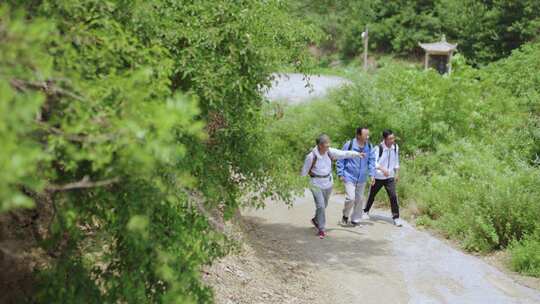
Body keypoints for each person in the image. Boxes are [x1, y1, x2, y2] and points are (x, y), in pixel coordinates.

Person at [301, 134, 363, 239]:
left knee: (324, 205)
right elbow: (304, 172)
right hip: (315, 183)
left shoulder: (329, 152)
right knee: (320, 206)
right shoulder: (311, 156)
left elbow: (343, 154)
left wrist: (357, 154)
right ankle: (321, 229)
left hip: (328, 183)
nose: (328, 146)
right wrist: (301, 185)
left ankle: (316, 220)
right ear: (320, 145)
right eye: (326, 145)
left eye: (329, 144)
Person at [362, 129, 404, 227]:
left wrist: (397, 173)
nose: (392, 140)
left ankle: (396, 218)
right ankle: (365, 211)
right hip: (379, 177)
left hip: (390, 177)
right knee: (372, 194)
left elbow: (396, 161)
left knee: (393, 196)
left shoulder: (395, 147)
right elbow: (373, 162)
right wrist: (383, 169)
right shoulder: (378, 148)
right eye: (390, 139)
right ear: (384, 139)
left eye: (393, 138)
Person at [336, 127, 376, 227]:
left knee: (359, 199)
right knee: (350, 198)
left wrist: (372, 175)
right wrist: (340, 173)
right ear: (358, 135)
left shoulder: (369, 146)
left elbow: (372, 161)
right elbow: (341, 158)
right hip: (349, 176)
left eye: (368, 135)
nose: (368, 137)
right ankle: (345, 216)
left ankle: (355, 220)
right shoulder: (349, 145)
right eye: (365, 135)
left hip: (362, 178)